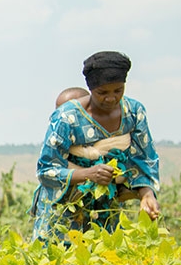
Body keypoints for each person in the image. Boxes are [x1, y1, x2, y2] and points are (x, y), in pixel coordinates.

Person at [30, 51, 160, 242]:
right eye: (102, 93)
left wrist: (147, 194)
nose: (111, 98)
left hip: (106, 208)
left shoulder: (133, 113)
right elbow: (46, 170)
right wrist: (88, 174)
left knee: (105, 261)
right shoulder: (68, 118)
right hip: (63, 211)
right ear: (91, 89)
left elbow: (144, 160)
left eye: (118, 91)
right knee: (56, 263)